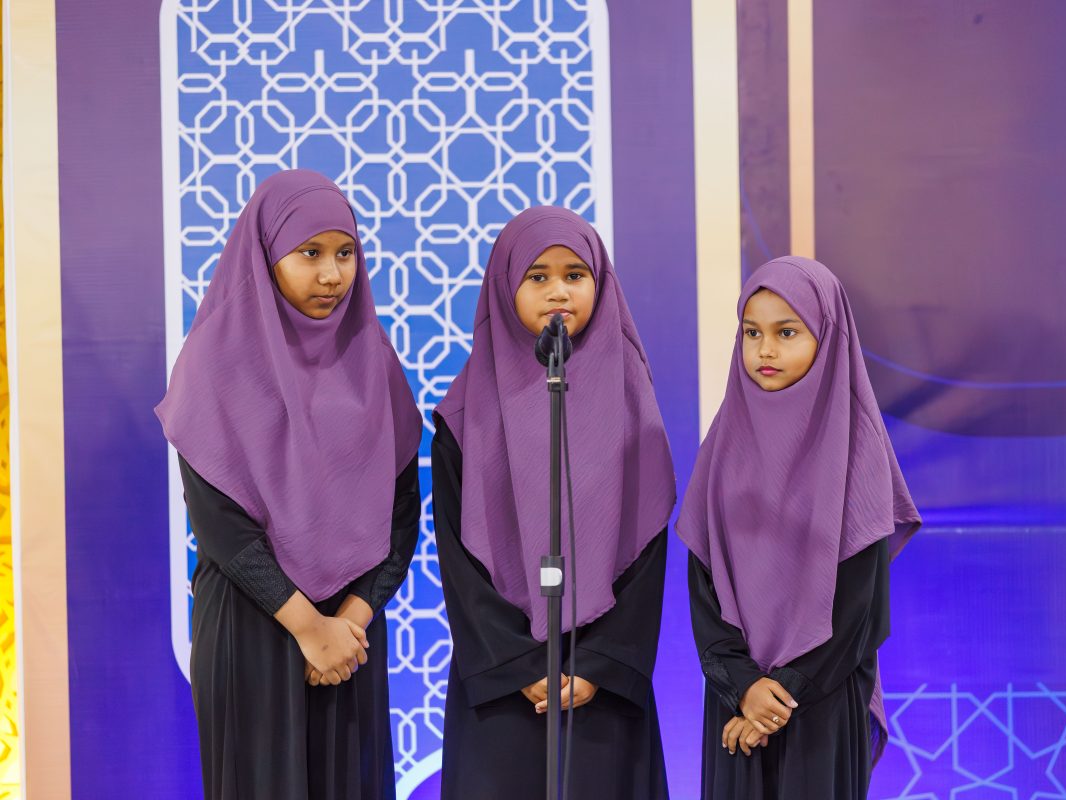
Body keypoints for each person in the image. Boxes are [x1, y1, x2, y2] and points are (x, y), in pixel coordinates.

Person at [156, 168, 423, 799]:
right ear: (266, 255)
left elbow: (401, 511)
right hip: (253, 628)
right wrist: (309, 628)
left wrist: (349, 621)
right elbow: (220, 525)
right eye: (310, 254)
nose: (332, 275)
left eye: (345, 253)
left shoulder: (373, 359)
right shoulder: (214, 361)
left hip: (353, 636)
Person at [432, 206, 675, 799]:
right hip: (501, 685)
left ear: (601, 284)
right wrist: (516, 665)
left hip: (603, 687)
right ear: (504, 285)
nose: (558, 291)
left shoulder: (632, 405)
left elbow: (647, 545)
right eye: (537, 276)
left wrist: (599, 664)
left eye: (575, 274)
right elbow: (458, 558)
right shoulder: (464, 415)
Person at [677, 256, 921, 799]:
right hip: (735, 699)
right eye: (752, 333)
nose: (765, 350)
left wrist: (779, 697)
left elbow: (861, 608)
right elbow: (704, 587)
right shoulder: (722, 448)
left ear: (828, 337)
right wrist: (745, 687)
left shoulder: (857, 450)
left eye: (786, 333)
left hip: (822, 700)